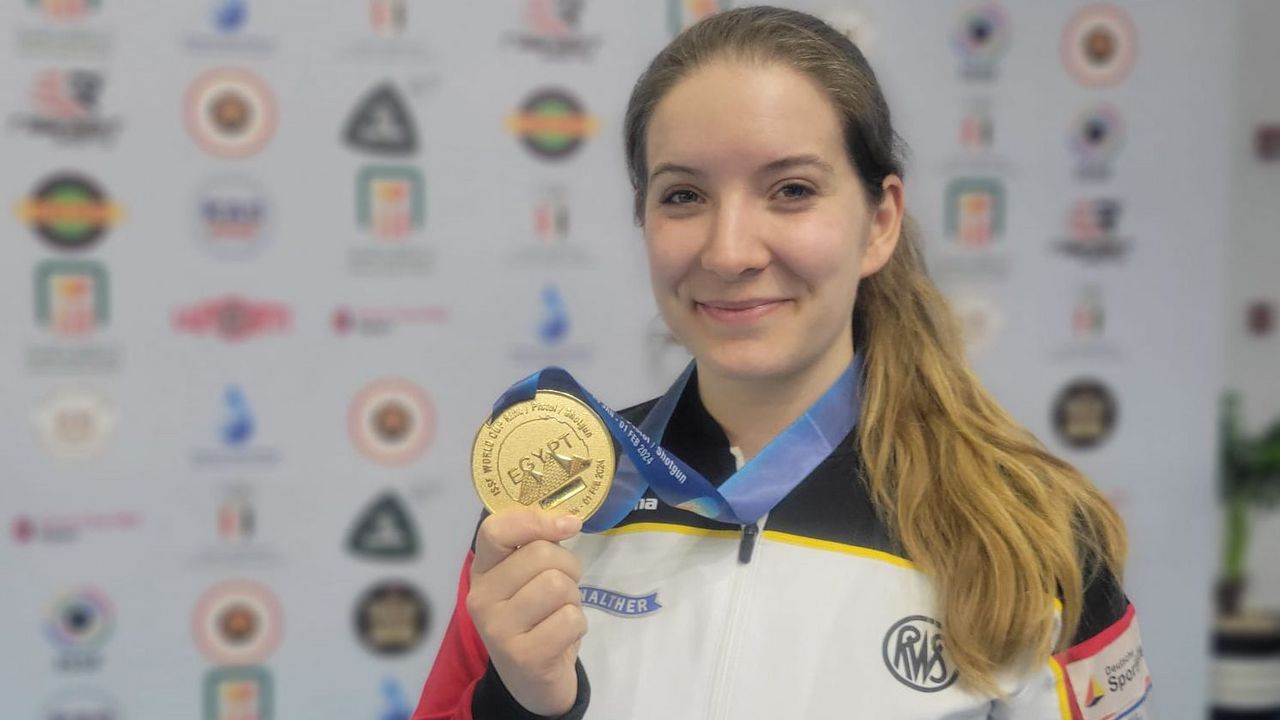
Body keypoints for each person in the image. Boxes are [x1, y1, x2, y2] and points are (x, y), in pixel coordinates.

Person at [413, 7, 1150, 719]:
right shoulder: (557, 498)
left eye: (791, 190)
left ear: (880, 222)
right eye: (685, 195)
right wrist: (518, 707)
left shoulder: (1029, 534)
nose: (730, 251)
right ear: (644, 219)